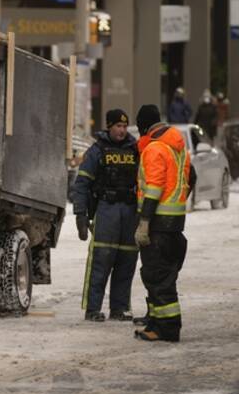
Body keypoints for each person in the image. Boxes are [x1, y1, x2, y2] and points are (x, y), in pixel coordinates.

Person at [133, 105, 196, 342]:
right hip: (174, 225)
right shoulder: (178, 149)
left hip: (158, 224)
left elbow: (154, 188)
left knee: (157, 276)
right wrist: (177, 201)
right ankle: (156, 323)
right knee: (162, 276)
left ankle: (166, 328)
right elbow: (192, 177)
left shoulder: (155, 149)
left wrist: (145, 222)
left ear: (144, 127)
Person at [72, 109, 139, 322]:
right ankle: (93, 309)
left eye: (124, 126)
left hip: (129, 212)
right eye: (117, 126)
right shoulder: (97, 151)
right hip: (107, 210)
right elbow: (82, 184)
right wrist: (80, 215)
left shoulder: (135, 149)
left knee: (126, 261)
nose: (121, 130)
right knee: (101, 261)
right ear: (109, 126)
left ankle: (119, 309)